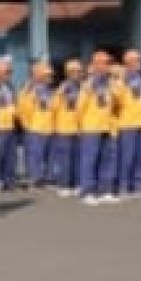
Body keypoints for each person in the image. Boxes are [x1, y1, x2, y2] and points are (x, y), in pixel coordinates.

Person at [77, 53, 120, 205]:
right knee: (90, 160)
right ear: (94, 65)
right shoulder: (88, 85)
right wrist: (80, 126)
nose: (106, 66)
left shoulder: (111, 83)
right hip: (91, 128)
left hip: (107, 127)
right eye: (103, 63)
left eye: (107, 63)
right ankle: (87, 191)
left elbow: (117, 102)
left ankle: (105, 190)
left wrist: (115, 84)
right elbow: (80, 107)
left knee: (107, 160)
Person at [114, 52, 141, 199]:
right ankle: (124, 187)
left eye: (139, 60)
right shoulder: (120, 81)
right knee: (127, 157)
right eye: (136, 60)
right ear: (127, 62)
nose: (139, 63)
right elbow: (115, 101)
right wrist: (123, 82)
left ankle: (138, 187)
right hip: (127, 124)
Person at [16, 61, 55, 188]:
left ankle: (48, 178)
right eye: (47, 75)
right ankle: (35, 178)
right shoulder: (29, 90)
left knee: (49, 156)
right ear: (38, 75)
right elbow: (22, 109)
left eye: (50, 75)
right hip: (36, 129)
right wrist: (28, 125)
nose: (50, 77)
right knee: (35, 156)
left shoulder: (49, 90)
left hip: (49, 128)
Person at [51, 60, 83, 197]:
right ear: (68, 73)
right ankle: (64, 185)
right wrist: (62, 95)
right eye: (75, 71)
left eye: (79, 71)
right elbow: (53, 107)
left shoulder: (82, 87)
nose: (78, 74)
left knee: (77, 158)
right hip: (64, 129)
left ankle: (76, 184)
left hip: (79, 129)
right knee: (65, 159)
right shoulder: (62, 88)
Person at [0, 58, 18, 191]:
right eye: (7, 71)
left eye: (10, 71)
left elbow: (13, 102)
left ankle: (9, 181)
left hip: (10, 126)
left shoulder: (9, 86)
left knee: (11, 157)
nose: (9, 74)